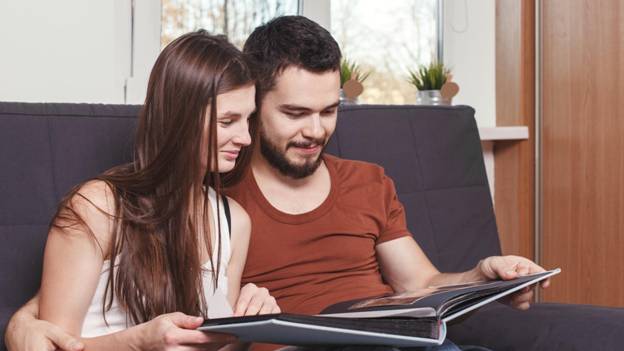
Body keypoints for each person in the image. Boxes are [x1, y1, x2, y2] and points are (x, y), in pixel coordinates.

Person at [5, 16, 549, 351]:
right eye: (293, 112)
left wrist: (480, 276)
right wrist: (22, 324)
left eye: (330, 111)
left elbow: (421, 284)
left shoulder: (232, 216)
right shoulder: (155, 199)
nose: (316, 131)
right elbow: (61, 320)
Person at [5, 30, 279, 351]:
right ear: (181, 118)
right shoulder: (97, 207)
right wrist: (139, 342)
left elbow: (221, 345)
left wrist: (248, 326)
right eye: (227, 121)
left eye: (248, 120)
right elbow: (50, 346)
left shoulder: (234, 221)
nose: (246, 138)